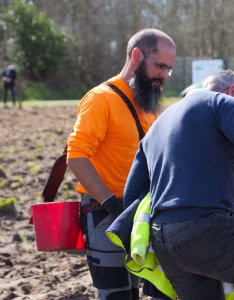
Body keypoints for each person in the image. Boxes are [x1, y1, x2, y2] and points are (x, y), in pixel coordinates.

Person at [123, 70, 234, 300]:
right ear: (232, 92)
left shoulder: (159, 123)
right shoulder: (220, 102)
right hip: (206, 229)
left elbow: (131, 195)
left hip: (164, 241)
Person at [66, 28, 176, 300]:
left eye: (168, 69)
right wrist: (112, 205)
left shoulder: (147, 103)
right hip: (104, 212)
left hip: (139, 214)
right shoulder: (101, 98)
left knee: (134, 292)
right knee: (116, 294)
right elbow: (76, 156)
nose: (164, 75)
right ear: (137, 55)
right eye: (160, 65)